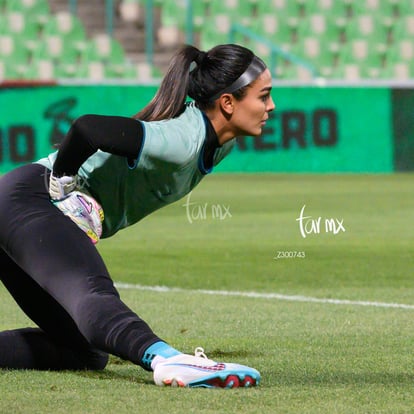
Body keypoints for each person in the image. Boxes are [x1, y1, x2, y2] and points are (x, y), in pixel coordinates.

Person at [0, 44, 275, 388]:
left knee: (85, 352)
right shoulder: (183, 140)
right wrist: (62, 185)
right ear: (228, 103)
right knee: (91, 295)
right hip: (30, 199)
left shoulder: (218, 143)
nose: (271, 106)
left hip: (17, 204)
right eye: (264, 96)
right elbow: (88, 129)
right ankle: (166, 358)